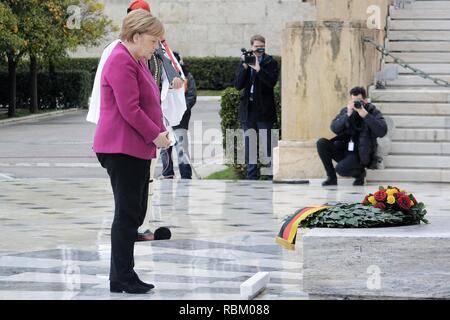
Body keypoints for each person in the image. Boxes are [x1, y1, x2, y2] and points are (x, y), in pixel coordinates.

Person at [93, 10, 171, 294]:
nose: (155, 47)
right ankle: (123, 277)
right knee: (127, 214)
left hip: (135, 147)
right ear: (136, 36)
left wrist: (158, 132)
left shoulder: (137, 60)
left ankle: (122, 275)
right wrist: (155, 135)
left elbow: (148, 103)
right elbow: (130, 109)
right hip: (120, 147)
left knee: (134, 213)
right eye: (152, 41)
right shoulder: (120, 60)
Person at [316, 87, 388, 186]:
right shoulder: (346, 111)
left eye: (359, 101)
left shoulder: (372, 110)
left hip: (361, 155)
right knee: (321, 143)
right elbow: (334, 128)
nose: (356, 104)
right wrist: (347, 115)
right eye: (354, 101)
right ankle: (331, 178)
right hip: (344, 149)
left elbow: (382, 131)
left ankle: (360, 174)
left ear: (365, 101)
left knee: (340, 169)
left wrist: (365, 115)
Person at [234, 35, 279, 180]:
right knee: (250, 146)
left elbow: (271, 82)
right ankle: (251, 177)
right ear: (251, 47)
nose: (259, 49)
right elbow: (238, 85)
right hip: (249, 109)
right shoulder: (246, 60)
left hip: (264, 110)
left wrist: (259, 69)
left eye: (262, 47)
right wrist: (245, 66)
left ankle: (270, 176)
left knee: (267, 146)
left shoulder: (270, 62)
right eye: (256, 47)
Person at [160, 51, 197, 179]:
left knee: (182, 149)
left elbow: (191, 97)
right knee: (165, 148)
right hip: (165, 120)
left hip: (181, 120)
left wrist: (178, 111)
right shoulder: (161, 77)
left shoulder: (186, 77)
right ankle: (167, 173)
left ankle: (186, 175)